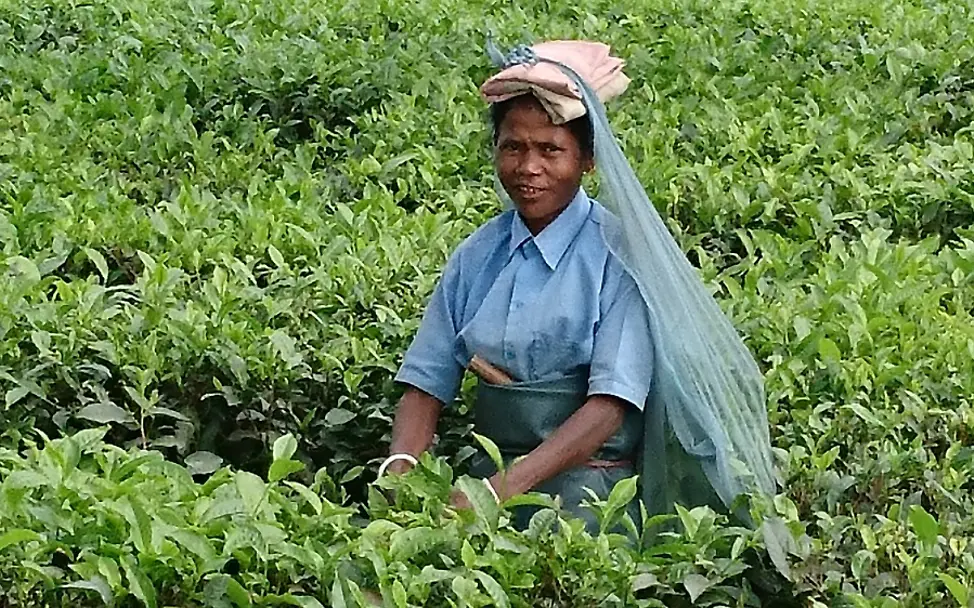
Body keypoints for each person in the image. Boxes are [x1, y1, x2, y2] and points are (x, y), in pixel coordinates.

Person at [379, 40, 778, 537]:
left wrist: (500, 491)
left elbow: (609, 407)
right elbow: (425, 381)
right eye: (513, 147)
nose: (528, 168)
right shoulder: (476, 257)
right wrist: (400, 470)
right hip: (487, 483)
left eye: (550, 150)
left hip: (588, 497)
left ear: (587, 159)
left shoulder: (619, 258)